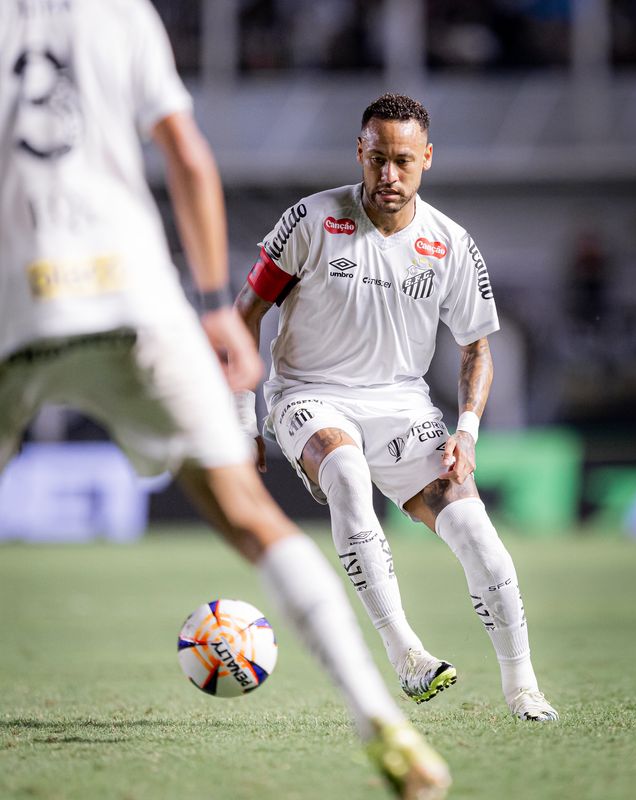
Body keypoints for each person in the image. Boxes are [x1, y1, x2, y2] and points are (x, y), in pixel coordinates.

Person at [0, 5, 451, 799]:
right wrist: (214, 307)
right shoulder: (121, 13)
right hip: (133, 295)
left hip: (14, 303)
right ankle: (381, 719)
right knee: (249, 514)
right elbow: (186, 153)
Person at [235, 92, 558, 723]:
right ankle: (405, 652)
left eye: (403, 161)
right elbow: (244, 316)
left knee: (477, 535)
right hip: (308, 393)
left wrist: (467, 431)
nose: (388, 174)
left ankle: (523, 689)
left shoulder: (450, 244)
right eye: (377, 158)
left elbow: (476, 349)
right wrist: (241, 418)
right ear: (359, 152)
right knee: (347, 473)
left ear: (427, 158)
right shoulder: (312, 220)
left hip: (403, 404)